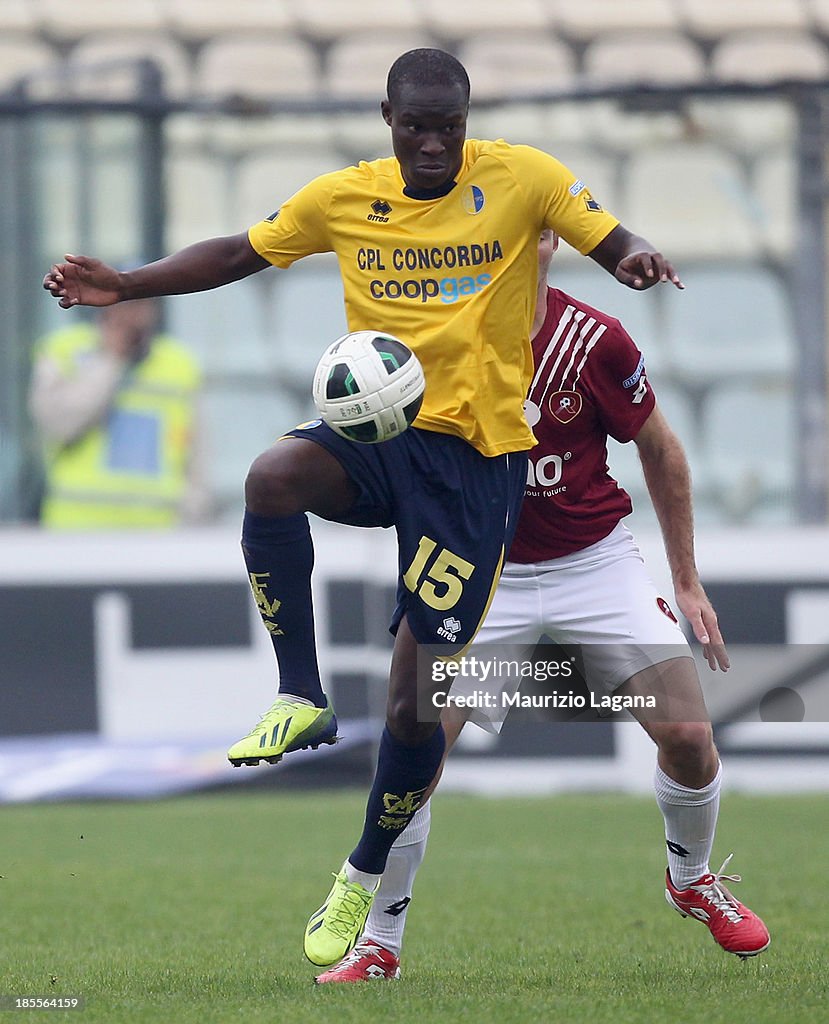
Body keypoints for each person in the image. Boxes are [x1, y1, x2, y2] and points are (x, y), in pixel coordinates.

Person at [43, 48, 685, 969]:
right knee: (272, 479)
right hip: (385, 436)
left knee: (412, 701)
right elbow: (237, 252)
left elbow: (606, 235)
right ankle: (300, 695)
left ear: (467, 120)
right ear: (387, 115)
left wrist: (635, 258)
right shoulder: (345, 196)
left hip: (476, 468)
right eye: (416, 126)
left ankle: (362, 873)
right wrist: (129, 283)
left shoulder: (523, 176)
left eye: (448, 128)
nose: (432, 145)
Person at [314, 230, 769, 984]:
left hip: (592, 562)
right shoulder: (434, 340)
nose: (517, 248)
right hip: (478, 573)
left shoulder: (594, 340)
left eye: (534, 232)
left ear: (553, 240)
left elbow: (659, 448)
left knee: (688, 733)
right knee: (415, 756)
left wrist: (685, 580)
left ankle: (689, 879)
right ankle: (379, 943)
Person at [29, 298, 211, 528]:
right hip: (78, 530)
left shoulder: (179, 364)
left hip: (156, 532)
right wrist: (110, 359)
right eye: (124, 302)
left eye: (141, 302)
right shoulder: (66, 349)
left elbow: (197, 458)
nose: (133, 315)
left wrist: (192, 515)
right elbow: (59, 425)